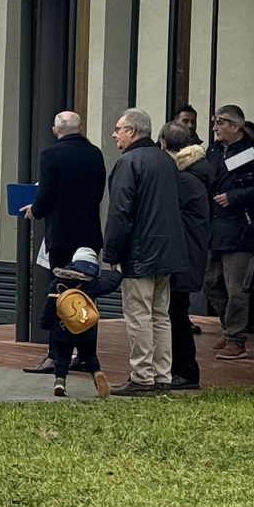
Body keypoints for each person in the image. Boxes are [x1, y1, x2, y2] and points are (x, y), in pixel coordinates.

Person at [102, 108, 189, 395]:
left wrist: (112, 254)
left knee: (138, 314)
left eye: (118, 128)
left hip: (140, 251)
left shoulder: (128, 162)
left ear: (132, 131)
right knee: (160, 315)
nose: (115, 134)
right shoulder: (166, 161)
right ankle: (163, 374)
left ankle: (142, 376)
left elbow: (120, 212)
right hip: (167, 250)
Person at [21, 111, 106, 374]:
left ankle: (56, 356)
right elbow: (99, 191)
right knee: (85, 295)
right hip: (89, 234)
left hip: (61, 235)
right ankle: (85, 353)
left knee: (60, 294)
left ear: (55, 130)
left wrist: (35, 209)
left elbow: (45, 195)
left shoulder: (51, 155)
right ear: (80, 128)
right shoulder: (95, 153)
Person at [204, 104, 254, 361]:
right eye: (215, 122)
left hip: (241, 227)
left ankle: (237, 338)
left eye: (220, 122)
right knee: (210, 283)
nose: (215, 127)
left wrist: (235, 196)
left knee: (236, 287)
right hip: (215, 228)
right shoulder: (213, 150)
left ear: (236, 127)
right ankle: (229, 330)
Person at [162, 123, 212, 390]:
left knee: (175, 314)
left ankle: (185, 370)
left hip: (182, 255)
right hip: (191, 254)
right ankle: (181, 369)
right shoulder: (197, 173)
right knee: (176, 312)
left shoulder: (182, 179)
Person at [45, 248, 120, 398]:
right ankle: (97, 373)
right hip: (86, 328)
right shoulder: (91, 284)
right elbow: (110, 285)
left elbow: (49, 306)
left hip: (62, 329)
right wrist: (118, 272)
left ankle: (60, 381)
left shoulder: (58, 283)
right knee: (89, 355)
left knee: (62, 356)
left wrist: (46, 324)